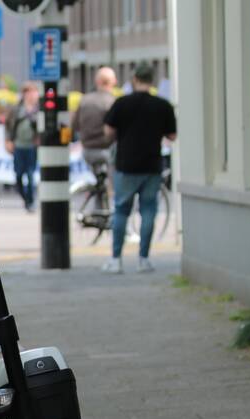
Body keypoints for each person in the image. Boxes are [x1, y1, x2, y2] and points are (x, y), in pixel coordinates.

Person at [102, 62, 176, 274]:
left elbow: (108, 131)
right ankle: (143, 259)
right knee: (149, 211)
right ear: (151, 80)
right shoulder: (162, 105)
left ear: (135, 79)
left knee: (121, 211)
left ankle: (116, 260)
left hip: (126, 165)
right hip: (152, 165)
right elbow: (172, 136)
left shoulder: (122, 103)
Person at [4, 82, 40, 212]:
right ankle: (25, 198)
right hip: (18, 146)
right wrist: (8, 140)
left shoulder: (39, 109)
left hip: (32, 146)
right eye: (29, 92)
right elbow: (8, 126)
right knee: (18, 175)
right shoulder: (16, 109)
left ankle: (31, 201)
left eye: (34, 92)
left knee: (30, 175)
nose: (32, 95)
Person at [72, 67, 117, 170]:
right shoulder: (113, 102)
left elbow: (74, 125)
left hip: (87, 150)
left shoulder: (84, 100)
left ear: (97, 82)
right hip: (107, 150)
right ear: (113, 82)